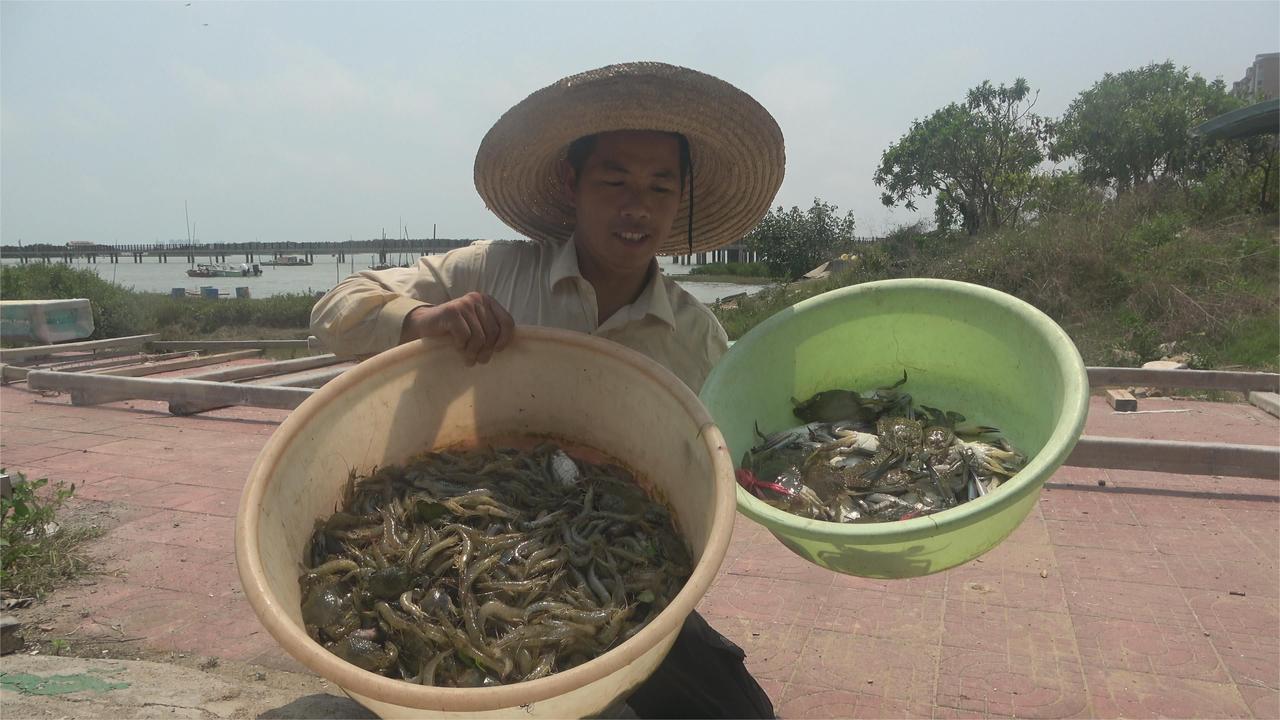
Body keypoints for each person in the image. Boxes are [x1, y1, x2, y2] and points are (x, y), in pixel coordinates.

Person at [311, 61, 784, 719]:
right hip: (483, 517)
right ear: (573, 181)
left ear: (681, 199)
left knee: (740, 711)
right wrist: (425, 320)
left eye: (659, 187)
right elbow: (336, 309)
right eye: (614, 179)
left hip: (625, 584)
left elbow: (734, 456)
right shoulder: (493, 271)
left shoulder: (695, 337)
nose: (636, 206)